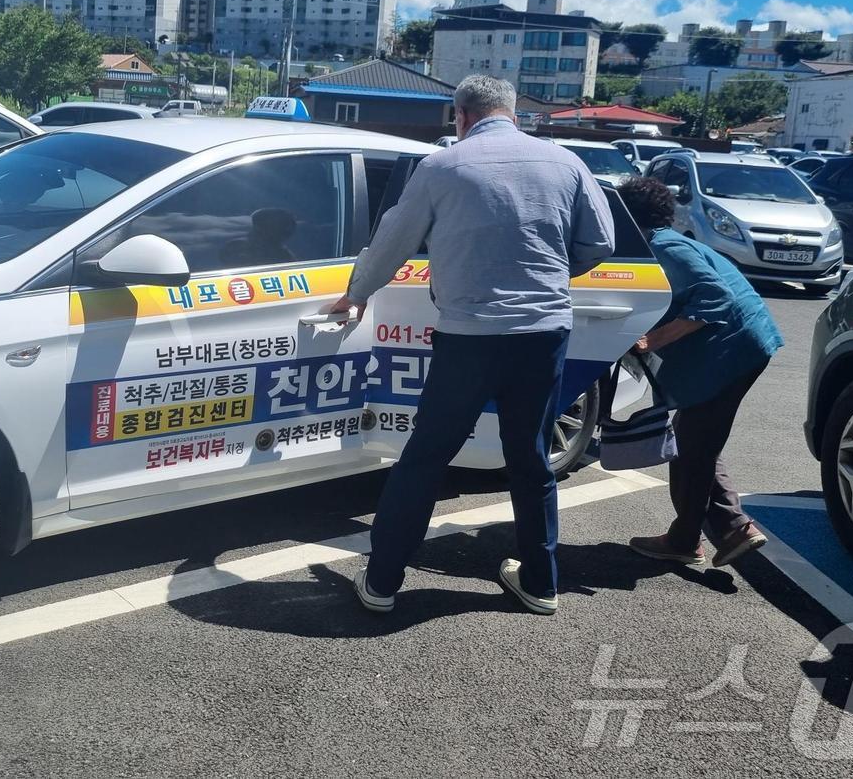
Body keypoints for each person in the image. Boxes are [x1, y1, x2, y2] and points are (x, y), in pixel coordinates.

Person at [328, 75, 616, 615]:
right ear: (512, 113)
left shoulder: (442, 167)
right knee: (531, 458)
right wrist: (548, 275)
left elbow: (393, 240)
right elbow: (600, 240)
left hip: (470, 336)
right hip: (543, 334)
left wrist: (355, 294)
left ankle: (384, 583)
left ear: (460, 116)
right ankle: (541, 583)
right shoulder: (566, 163)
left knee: (428, 454)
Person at [615, 176, 781, 567]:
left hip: (734, 352)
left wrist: (650, 342)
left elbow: (716, 297)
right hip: (741, 347)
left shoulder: (664, 246)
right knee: (700, 441)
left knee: (693, 446)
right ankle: (728, 529)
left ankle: (692, 538)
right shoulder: (659, 244)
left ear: (626, 217)